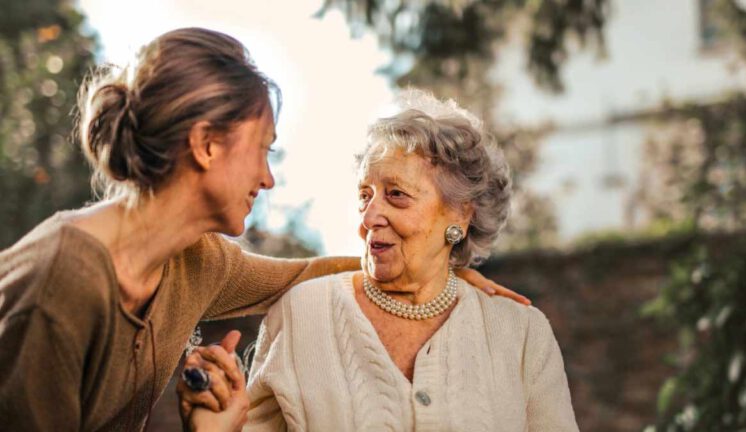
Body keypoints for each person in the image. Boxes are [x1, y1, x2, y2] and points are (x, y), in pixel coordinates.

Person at [0, 28, 525, 431]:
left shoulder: (196, 260)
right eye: (262, 150)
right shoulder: (58, 284)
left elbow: (301, 275)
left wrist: (435, 271)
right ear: (206, 145)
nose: (268, 178)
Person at [182, 91, 578, 431]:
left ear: (460, 215)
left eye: (396, 195)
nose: (370, 217)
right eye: (364, 195)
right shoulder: (302, 314)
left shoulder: (522, 334)